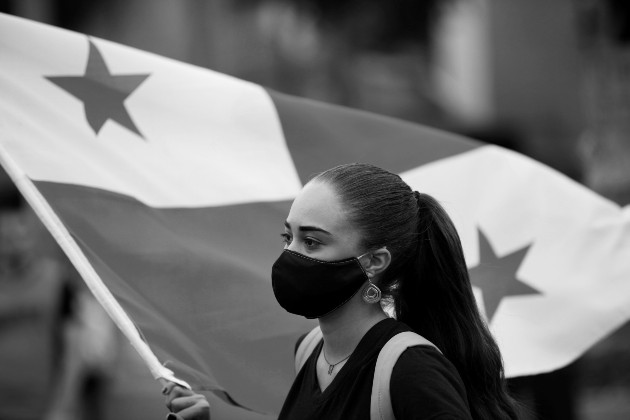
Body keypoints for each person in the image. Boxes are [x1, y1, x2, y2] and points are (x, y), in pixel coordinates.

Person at [163, 163, 520, 420]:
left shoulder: (412, 370)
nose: (290, 255)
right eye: (289, 237)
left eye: (313, 242)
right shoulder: (309, 350)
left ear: (374, 261)